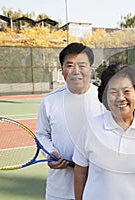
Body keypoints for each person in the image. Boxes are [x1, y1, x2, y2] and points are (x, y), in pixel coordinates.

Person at [73, 64, 135, 200]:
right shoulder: (90, 129)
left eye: (126, 91)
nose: (120, 98)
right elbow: (80, 172)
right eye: (113, 92)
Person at [35, 42, 105, 200]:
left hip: (96, 186)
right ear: (62, 69)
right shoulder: (49, 101)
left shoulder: (104, 100)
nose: (76, 71)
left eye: (82, 65)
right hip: (58, 189)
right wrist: (50, 154)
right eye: (69, 65)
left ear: (91, 68)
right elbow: (41, 134)